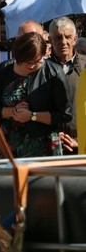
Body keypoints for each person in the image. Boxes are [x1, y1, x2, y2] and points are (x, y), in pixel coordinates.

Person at [0, 32, 71, 158]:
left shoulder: (54, 72)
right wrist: (13, 112)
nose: (31, 66)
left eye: (36, 61)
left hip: (43, 146)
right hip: (7, 145)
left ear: (44, 55)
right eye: (26, 62)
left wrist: (32, 116)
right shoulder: (3, 69)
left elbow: (65, 115)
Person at [48, 17, 86, 154]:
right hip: (50, 146)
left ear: (75, 39)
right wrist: (52, 137)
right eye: (58, 38)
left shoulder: (85, 67)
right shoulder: (41, 70)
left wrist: (81, 140)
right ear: (50, 40)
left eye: (67, 37)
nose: (63, 42)